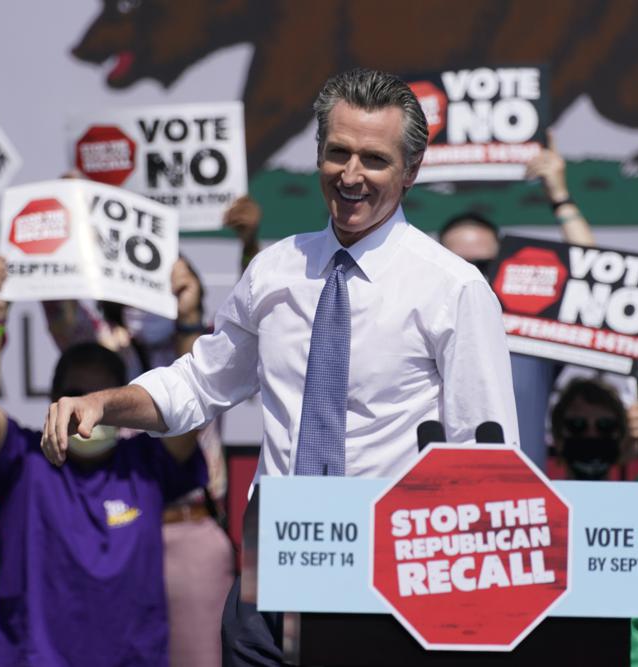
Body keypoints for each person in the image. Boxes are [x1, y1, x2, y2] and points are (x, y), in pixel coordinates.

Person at [41, 68, 519, 665]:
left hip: (388, 578)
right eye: (337, 153)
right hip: (269, 572)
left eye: (374, 159)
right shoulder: (274, 272)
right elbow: (197, 383)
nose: (351, 176)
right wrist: (106, 404)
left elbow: (488, 456)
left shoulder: (454, 289)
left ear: (410, 171)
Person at [0, 258, 207, 666]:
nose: (85, 409)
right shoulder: (23, 461)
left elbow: (191, 403)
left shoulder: (145, 465)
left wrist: (189, 316)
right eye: (74, 394)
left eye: (102, 398)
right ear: (53, 397)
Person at [438, 135, 596, 469]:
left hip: (523, 507)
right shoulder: (416, 323)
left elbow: (594, 279)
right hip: (437, 503)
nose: (472, 277)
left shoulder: (531, 329)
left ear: (503, 266)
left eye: (484, 265)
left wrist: (560, 197)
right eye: (460, 265)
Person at [548, 326, 638, 667]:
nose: (592, 434)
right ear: (557, 433)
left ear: (622, 437)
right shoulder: (534, 501)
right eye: (578, 426)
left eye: (605, 426)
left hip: (629, 658)